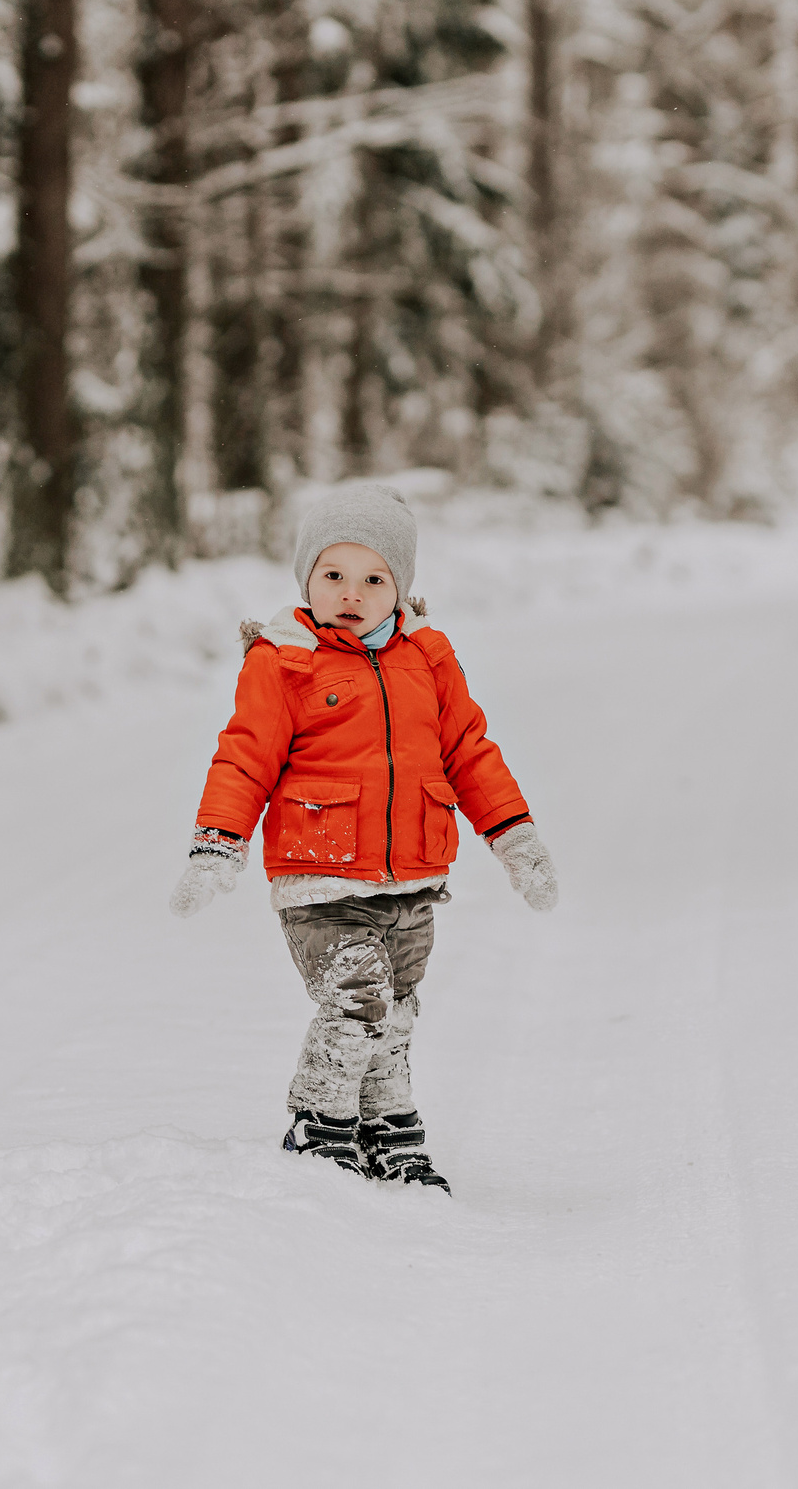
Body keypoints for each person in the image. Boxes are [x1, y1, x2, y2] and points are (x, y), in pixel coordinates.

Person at [170, 483, 560, 1193]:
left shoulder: (428, 658)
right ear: (306, 579)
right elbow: (244, 757)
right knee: (357, 1000)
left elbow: (469, 753)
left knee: (397, 1012)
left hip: (412, 880)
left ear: (401, 587)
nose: (351, 593)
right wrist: (217, 844)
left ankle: (389, 1130)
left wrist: (515, 836)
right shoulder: (283, 661)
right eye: (333, 574)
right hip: (319, 877)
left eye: (374, 578)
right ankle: (318, 1125)